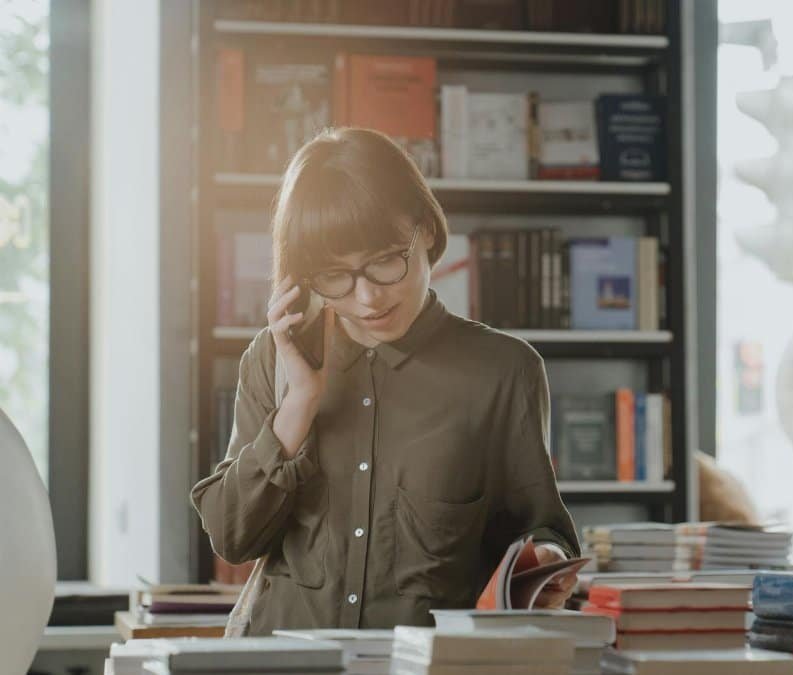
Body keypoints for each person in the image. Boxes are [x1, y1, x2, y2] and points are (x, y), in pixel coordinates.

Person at [191, 127, 580, 635]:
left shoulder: (504, 371)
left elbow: (541, 527)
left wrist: (546, 559)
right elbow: (230, 536)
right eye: (335, 276)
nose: (368, 298)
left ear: (426, 231)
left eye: (386, 262)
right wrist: (300, 403)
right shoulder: (272, 359)